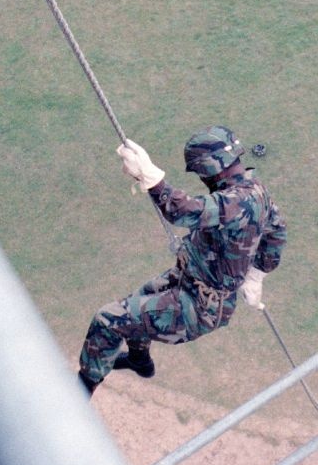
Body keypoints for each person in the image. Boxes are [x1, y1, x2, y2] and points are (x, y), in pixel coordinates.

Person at [79, 126, 287, 395]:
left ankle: (81, 390)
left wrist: (151, 177)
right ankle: (140, 361)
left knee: (108, 319)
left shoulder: (237, 201)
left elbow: (184, 212)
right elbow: (277, 230)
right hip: (189, 280)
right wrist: (258, 272)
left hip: (199, 306)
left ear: (209, 170)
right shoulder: (256, 191)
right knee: (136, 304)